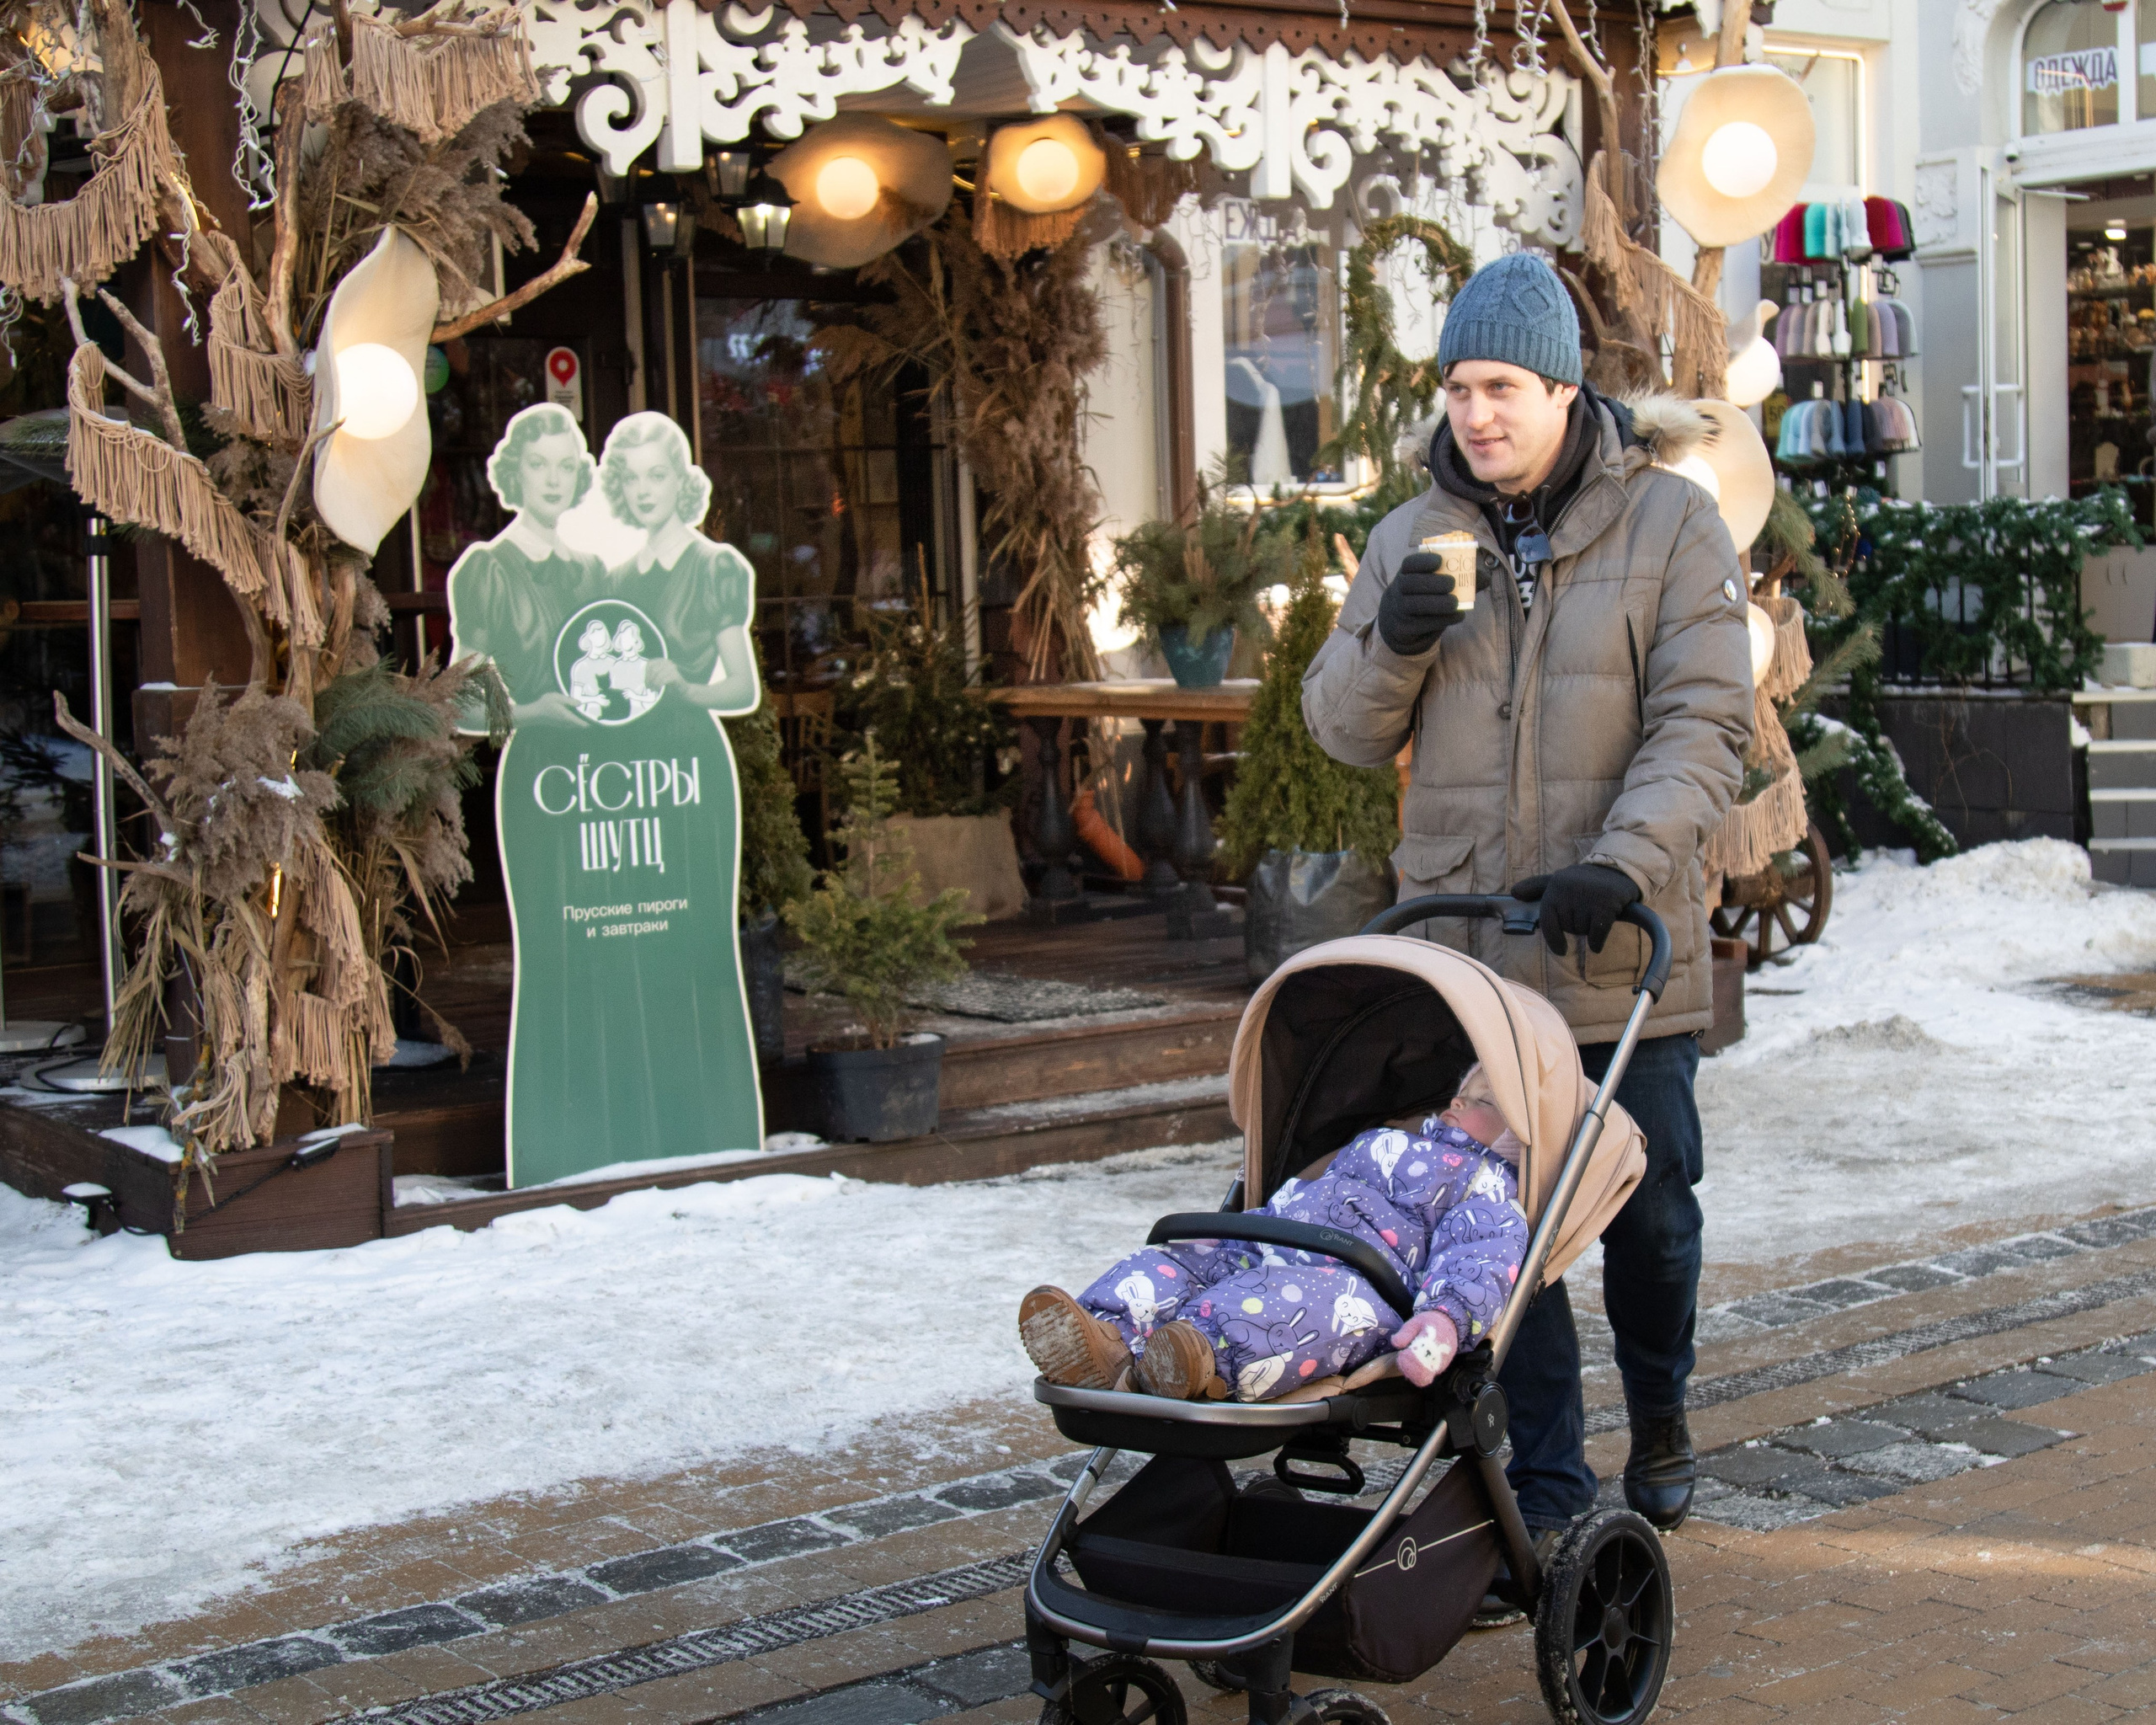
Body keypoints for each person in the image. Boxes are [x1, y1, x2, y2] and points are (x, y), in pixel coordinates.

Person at [1300, 252, 1753, 1555]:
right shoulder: (1406, 538)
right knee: (1499, 1239)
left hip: (1617, 940)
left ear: (1562, 389)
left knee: (1653, 1217)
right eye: (1457, 387)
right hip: (1472, 951)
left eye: (1500, 386)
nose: (1475, 414)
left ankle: (1659, 1412)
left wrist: (1623, 859)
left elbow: (1704, 720)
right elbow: (1337, 730)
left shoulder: (1672, 525)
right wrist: (1393, 639)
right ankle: (1549, 1495)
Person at [1019, 1068, 1529, 1403]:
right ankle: (1107, 1336)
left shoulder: (1484, 1191)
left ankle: (1200, 1353)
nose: (1459, 1100)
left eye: (1483, 1098)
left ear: (1515, 1137)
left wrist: (1442, 1320)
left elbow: (1477, 1262)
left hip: (1358, 1280)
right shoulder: (1391, 1138)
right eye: (1462, 1090)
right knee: (1186, 1256)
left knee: (1295, 1303)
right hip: (1270, 1238)